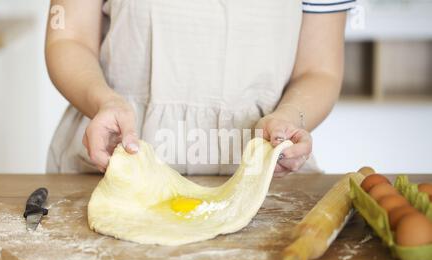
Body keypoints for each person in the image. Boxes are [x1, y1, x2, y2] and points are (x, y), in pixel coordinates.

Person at [45, 0, 355, 175]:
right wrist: (104, 102)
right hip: (118, 159)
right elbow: (69, 38)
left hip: (262, 175)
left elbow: (319, 69)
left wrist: (289, 118)